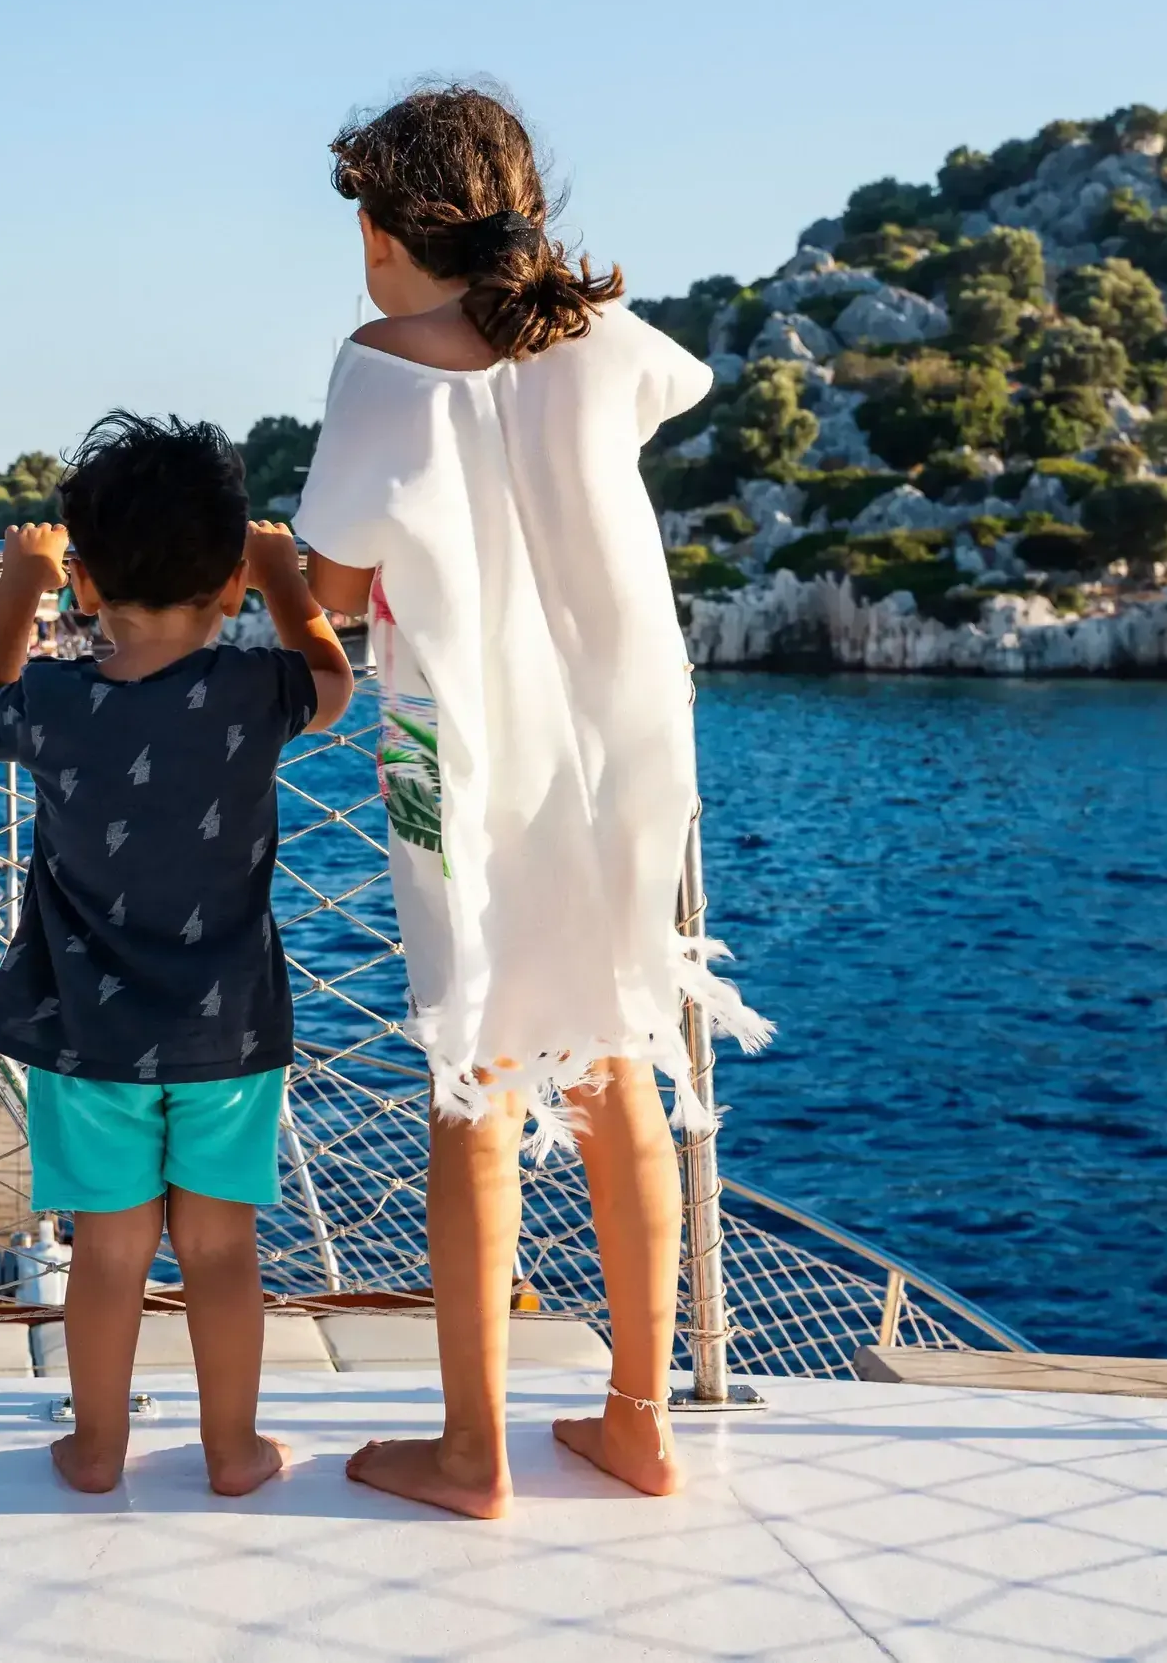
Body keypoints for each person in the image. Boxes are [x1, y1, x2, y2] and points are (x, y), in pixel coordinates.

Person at [290, 85, 771, 1519]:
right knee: (623, 1048)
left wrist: (291, 581)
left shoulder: (381, 367)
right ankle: (638, 1420)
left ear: (386, 231)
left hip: (469, 752)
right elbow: (678, 381)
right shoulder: (603, 342)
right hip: (626, 746)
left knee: (475, 1076)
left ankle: (473, 1446)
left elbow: (327, 575)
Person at [0, 412, 354, 1497]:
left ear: (84, 582)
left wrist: (20, 580)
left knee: (107, 1249)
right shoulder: (253, 691)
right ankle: (233, 1451)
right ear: (227, 581)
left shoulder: (55, 697)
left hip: (89, 1033)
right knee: (222, 1252)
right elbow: (335, 681)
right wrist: (284, 579)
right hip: (228, 1029)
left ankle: (96, 1450)